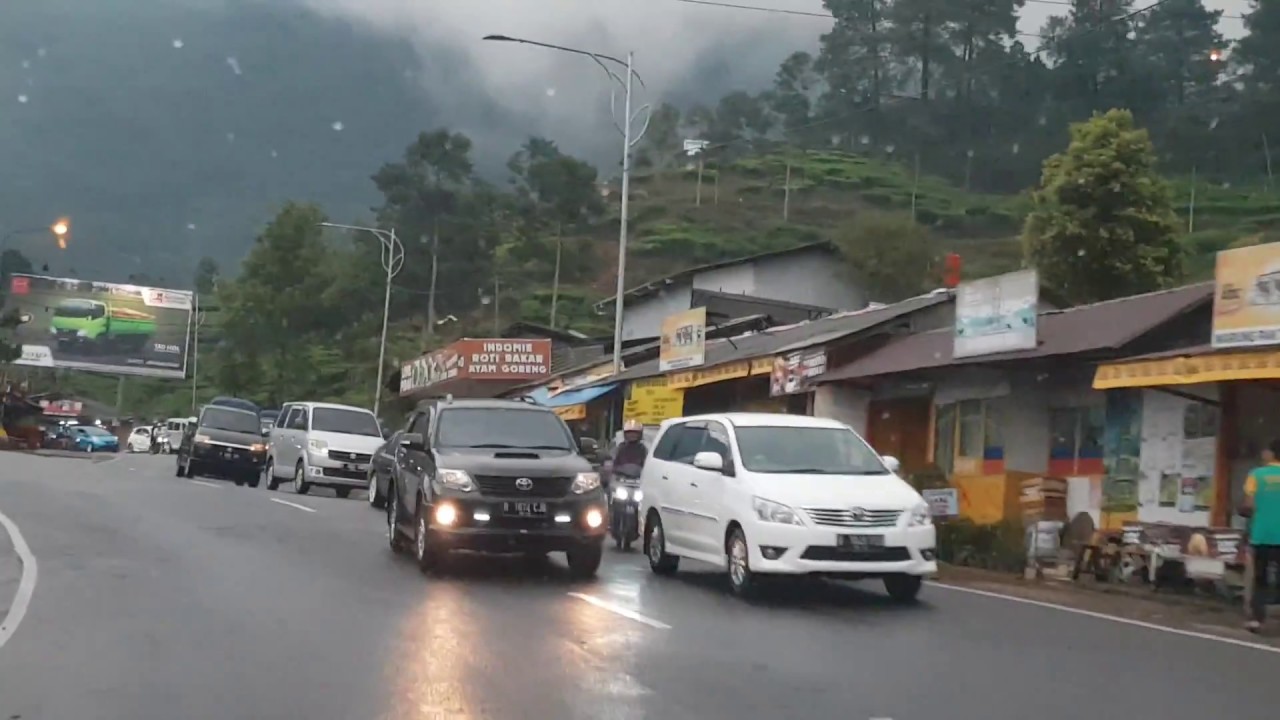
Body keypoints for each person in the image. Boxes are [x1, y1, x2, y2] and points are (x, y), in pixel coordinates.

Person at [1241, 439, 1280, 633]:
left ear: (1271, 453)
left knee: (1260, 577)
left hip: (1262, 534)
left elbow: (1249, 505)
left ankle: (1257, 619)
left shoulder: (1256, 475)